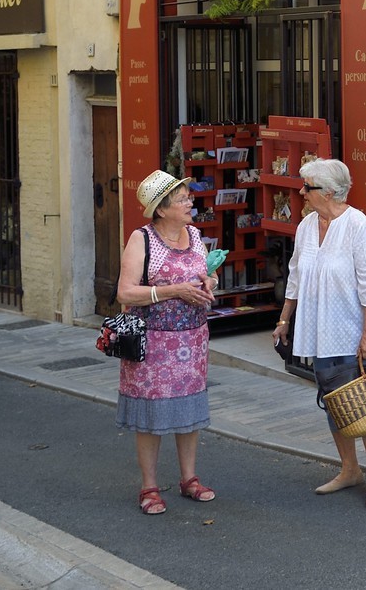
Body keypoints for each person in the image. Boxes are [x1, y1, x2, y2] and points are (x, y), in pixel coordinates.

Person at [270, 158, 366, 508]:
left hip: (355, 331)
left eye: (305, 187)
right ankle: (350, 469)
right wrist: (284, 319)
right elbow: (295, 275)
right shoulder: (308, 225)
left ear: (327, 192)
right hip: (321, 329)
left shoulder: (359, 227)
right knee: (333, 401)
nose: (300, 192)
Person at [117, 169, 217, 515]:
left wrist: (208, 283)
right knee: (151, 415)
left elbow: (203, 274)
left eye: (189, 197)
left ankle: (189, 479)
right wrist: (173, 291)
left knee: (188, 409)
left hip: (193, 339)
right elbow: (125, 292)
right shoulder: (142, 239)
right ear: (161, 209)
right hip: (154, 343)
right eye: (182, 198)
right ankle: (148, 486)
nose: (191, 202)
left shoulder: (194, 234)